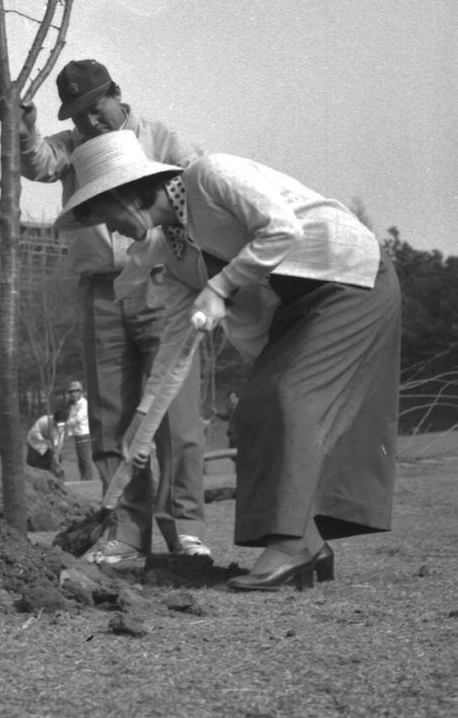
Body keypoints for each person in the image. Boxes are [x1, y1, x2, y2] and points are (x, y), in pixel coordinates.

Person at [57, 129, 400, 590]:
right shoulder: (178, 254)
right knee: (256, 407)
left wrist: (220, 287)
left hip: (350, 279)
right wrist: (143, 423)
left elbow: (282, 228)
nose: (111, 232)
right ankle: (309, 544)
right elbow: (177, 347)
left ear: (124, 194)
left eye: (104, 216)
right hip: (296, 309)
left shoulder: (210, 175)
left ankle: (291, 546)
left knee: (285, 396)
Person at [19, 59, 210, 561]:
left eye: (96, 109)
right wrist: (23, 129)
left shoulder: (160, 137)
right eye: (78, 115)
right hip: (101, 291)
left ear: (117, 93)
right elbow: (38, 162)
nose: (91, 123)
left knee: (176, 415)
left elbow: (198, 184)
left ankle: (183, 528)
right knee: (109, 417)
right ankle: (126, 534)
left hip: (162, 283)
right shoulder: (71, 145)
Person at [61, 381, 96, 481]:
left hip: (84, 434)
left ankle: (88, 479)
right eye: (71, 392)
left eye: (76, 391)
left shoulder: (84, 404)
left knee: (85, 458)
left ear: (81, 392)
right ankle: (84, 478)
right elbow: (71, 417)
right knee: (80, 458)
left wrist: (66, 423)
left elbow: (78, 418)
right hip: (77, 434)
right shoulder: (74, 405)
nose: (73, 393)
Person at [26, 405, 67, 478]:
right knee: (34, 465)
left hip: (49, 447)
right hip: (35, 444)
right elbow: (34, 432)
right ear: (55, 419)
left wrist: (57, 454)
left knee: (51, 463)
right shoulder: (44, 420)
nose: (59, 426)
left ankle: (53, 478)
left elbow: (59, 441)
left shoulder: (61, 427)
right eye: (57, 423)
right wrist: (44, 440)